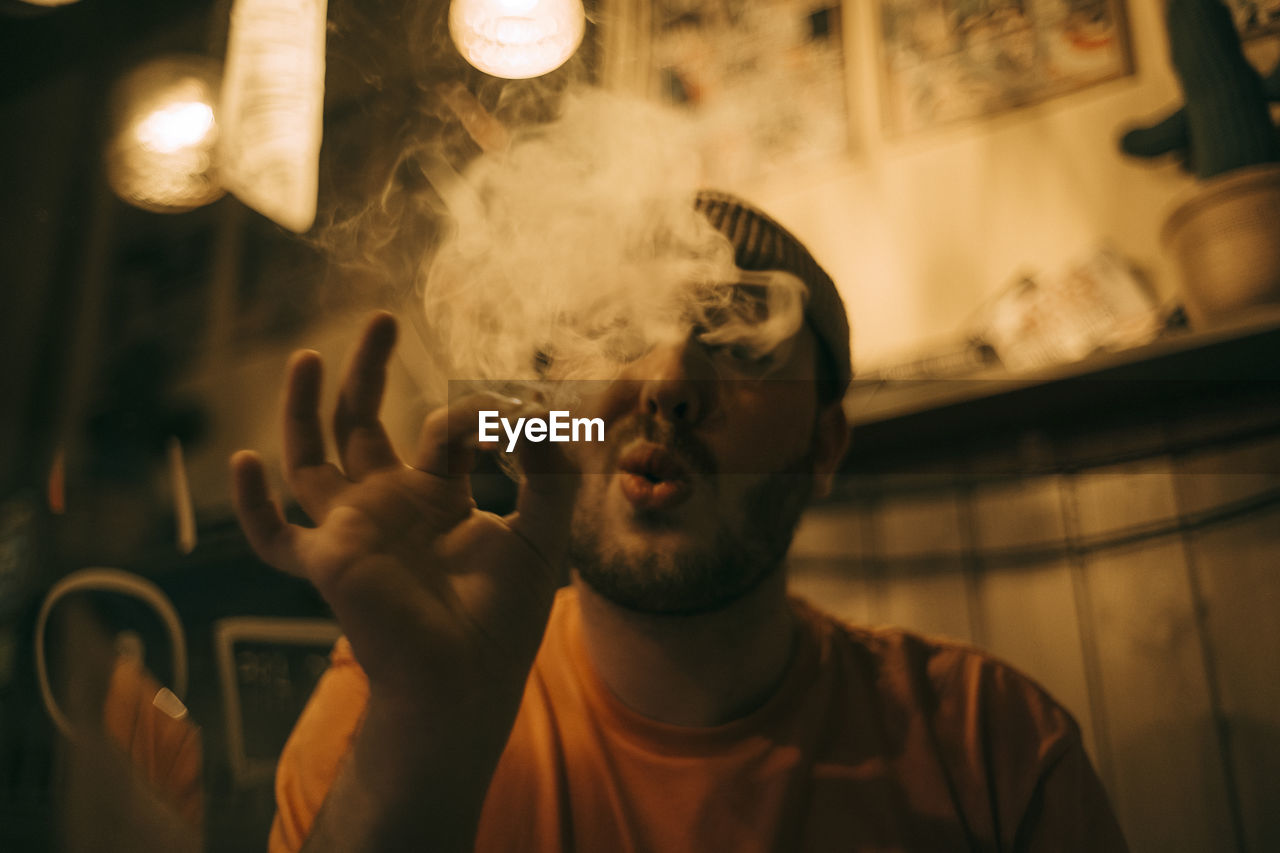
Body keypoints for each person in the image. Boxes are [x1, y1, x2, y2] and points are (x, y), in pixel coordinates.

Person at [231, 192, 1128, 852]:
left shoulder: (987, 739)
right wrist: (428, 723)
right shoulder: (390, 694)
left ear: (823, 444)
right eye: (617, 329)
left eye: (737, 337)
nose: (665, 381)